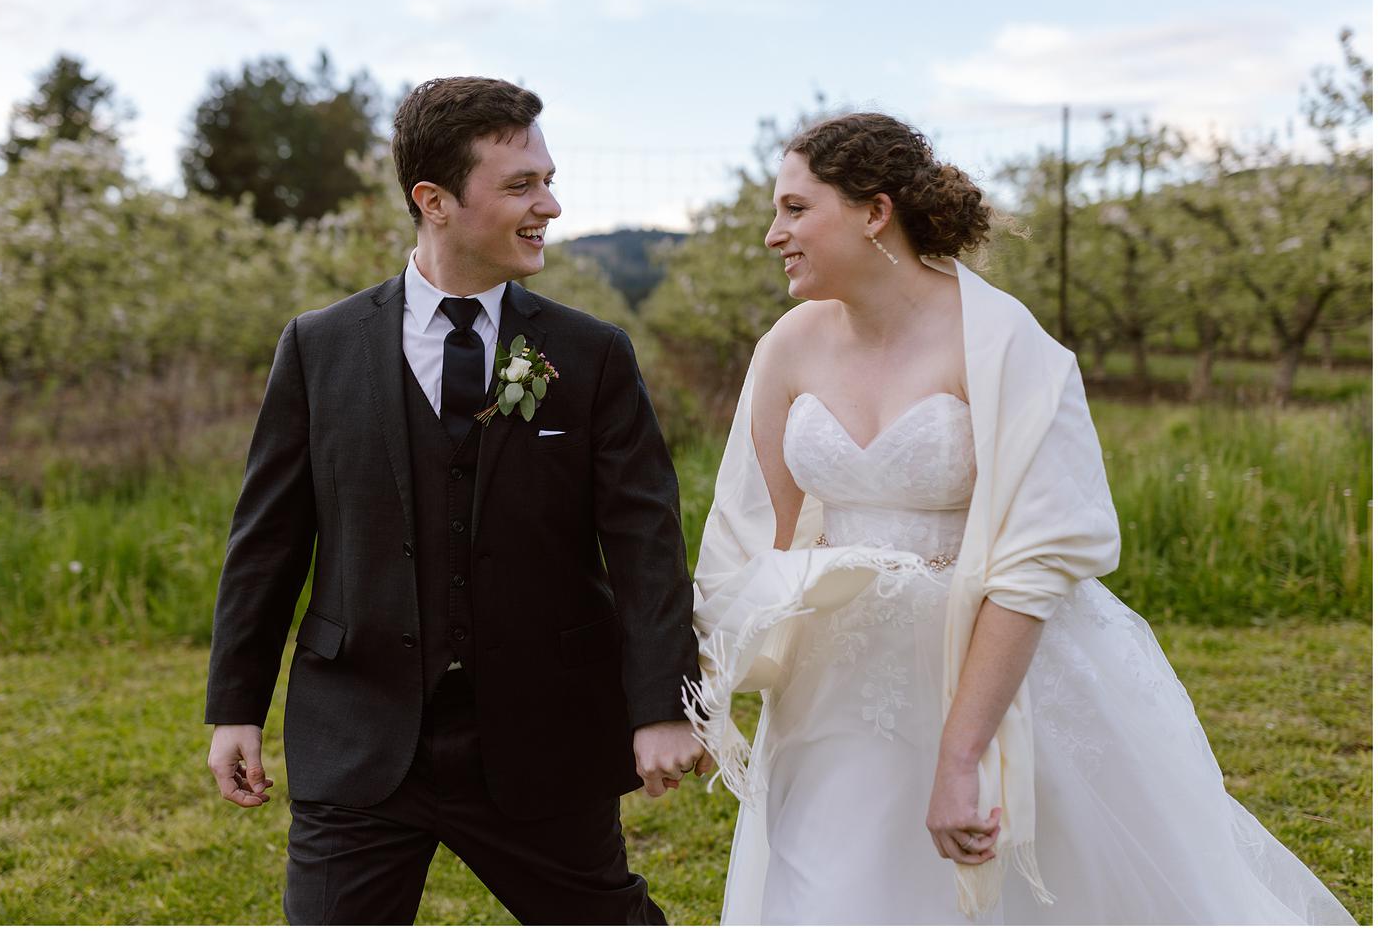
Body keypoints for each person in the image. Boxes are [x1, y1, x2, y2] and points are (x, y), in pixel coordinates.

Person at [682, 112, 1357, 924]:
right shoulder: (786, 346)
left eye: (795, 208)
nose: (771, 234)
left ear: (873, 211)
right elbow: (758, 540)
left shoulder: (1005, 345)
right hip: (834, 687)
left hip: (991, 664)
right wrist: (696, 684)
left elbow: (1033, 559)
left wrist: (962, 755)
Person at [203, 75, 709, 925]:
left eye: (546, 178)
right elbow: (268, 539)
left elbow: (644, 542)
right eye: (521, 185)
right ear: (433, 200)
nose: (549, 203)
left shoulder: (592, 356)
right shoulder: (319, 348)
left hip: (539, 732)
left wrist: (663, 703)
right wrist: (235, 707)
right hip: (361, 733)